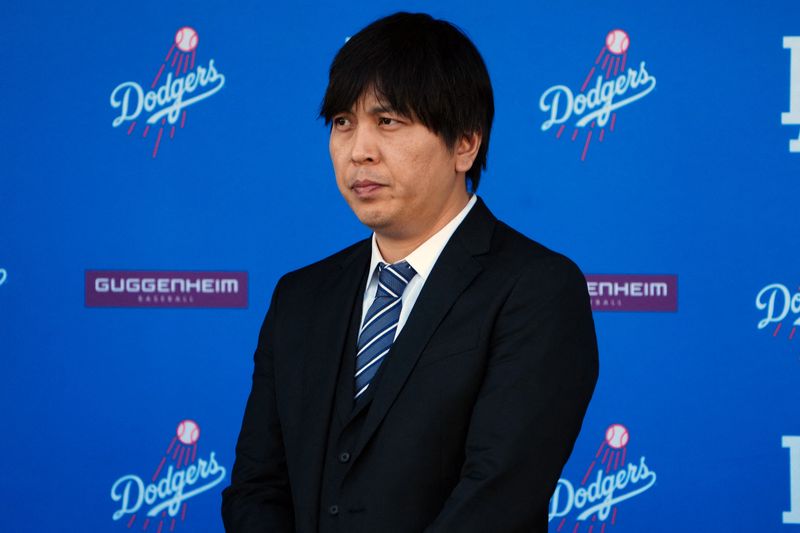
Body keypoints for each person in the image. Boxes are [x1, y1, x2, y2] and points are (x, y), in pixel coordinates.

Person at [221, 12, 598, 533]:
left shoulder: (536, 288)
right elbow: (257, 486)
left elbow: (497, 497)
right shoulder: (300, 296)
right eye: (342, 123)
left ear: (466, 141)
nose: (359, 151)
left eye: (389, 121)